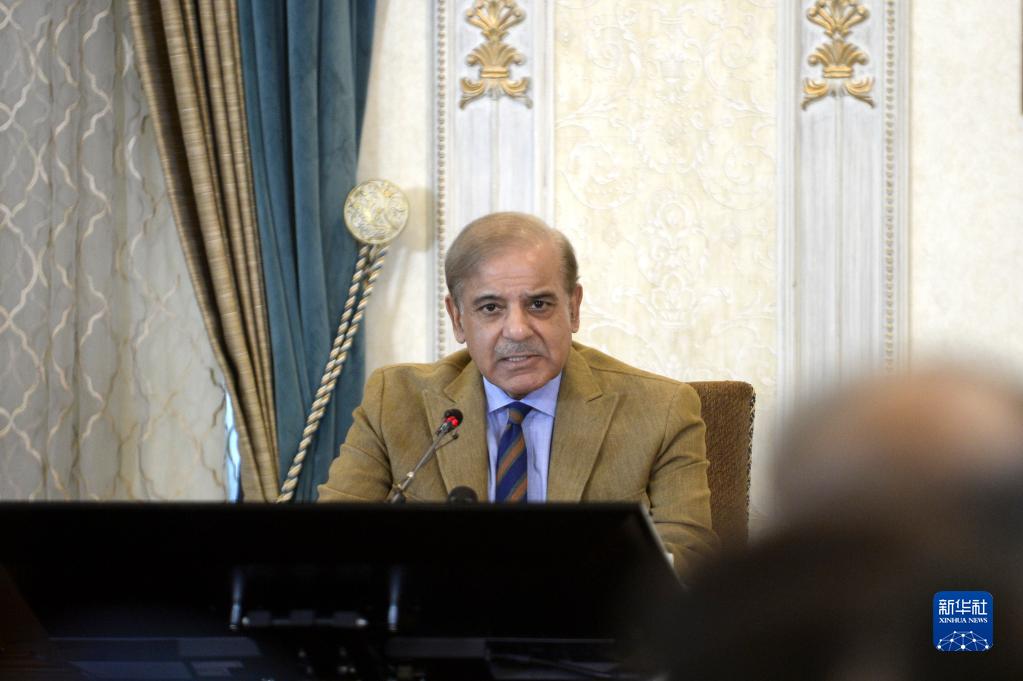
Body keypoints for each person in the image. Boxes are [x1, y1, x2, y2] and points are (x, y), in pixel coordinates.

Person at [319, 212, 717, 577]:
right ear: (458, 319)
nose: (517, 330)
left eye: (539, 304)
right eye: (491, 308)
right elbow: (328, 541)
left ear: (573, 308)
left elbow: (689, 560)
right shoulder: (394, 400)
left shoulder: (661, 409)